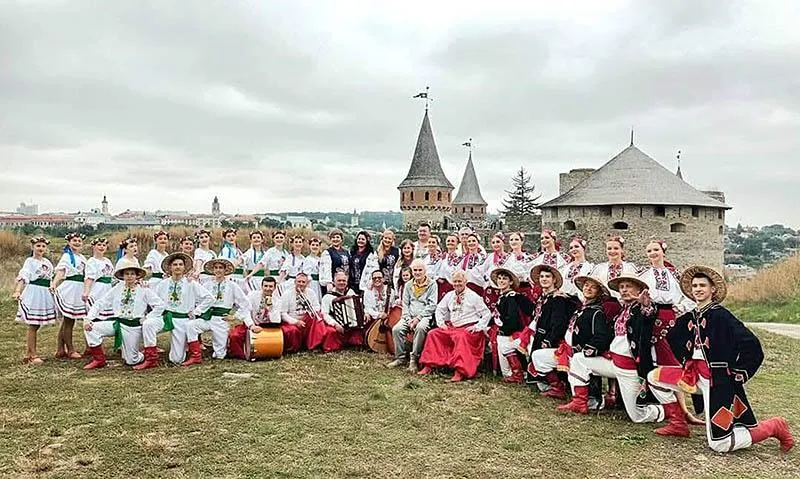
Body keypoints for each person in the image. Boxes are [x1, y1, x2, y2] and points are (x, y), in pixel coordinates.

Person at [647, 266, 794, 452]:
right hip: (692, 376)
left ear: (712, 290)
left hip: (718, 381)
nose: (698, 289)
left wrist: (739, 371)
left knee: (719, 444)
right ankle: (678, 425)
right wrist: (685, 359)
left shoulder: (721, 316)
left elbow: (752, 344)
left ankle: (773, 426)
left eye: (702, 285)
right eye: (694, 286)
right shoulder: (687, 317)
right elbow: (672, 337)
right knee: (654, 377)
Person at [561, 272, 665, 425]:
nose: (624, 290)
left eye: (628, 286)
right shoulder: (623, 311)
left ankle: (664, 411)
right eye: (621, 287)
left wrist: (646, 305)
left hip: (629, 369)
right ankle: (580, 403)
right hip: (613, 363)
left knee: (636, 416)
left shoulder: (640, 309)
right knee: (579, 359)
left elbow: (648, 316)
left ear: (638, 291)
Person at [136, 252, 214, 370]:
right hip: (166, 317)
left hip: (182, 320)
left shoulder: (191, 283)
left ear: (184, 267)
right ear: (170, 267)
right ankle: (151, 359)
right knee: (148, 324)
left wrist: (197, 312)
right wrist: (150, 315)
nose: (178, 267)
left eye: (180, 264)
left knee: (176, 359)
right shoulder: (163, 284)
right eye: (175, 264)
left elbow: (209, 298)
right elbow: (153, 301)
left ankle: (190, 351)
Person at [83, 259, 164, 370]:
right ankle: (99, 360)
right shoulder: (117, 288)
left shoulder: (144, 290)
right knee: (91, 328)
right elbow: (101, 302)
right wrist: (88, 318)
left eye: (132, 274)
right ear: (123, 276)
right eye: (127, 274)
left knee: (131, 361)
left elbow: (160, 305)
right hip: (118, 323)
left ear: (137, 276)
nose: (129, 276)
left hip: (133, 327)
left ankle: (145, 355)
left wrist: (147, 317)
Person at [552, 274, 613, 410]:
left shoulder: (597, 313)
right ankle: (570, 394)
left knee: (581, 363)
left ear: (599, 293)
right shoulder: (582, 309)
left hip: (583, 352)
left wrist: (587, 350)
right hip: (570, 350)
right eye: (586, 285)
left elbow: (602, 336)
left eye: (593, 287)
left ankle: (591, 400)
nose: (588, 289)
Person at [418, 270, 492, 382]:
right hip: (453, 327)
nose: (457, 284)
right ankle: (429, 365)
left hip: (469, 329)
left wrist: (478, 327)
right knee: (433, 334)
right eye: (455, 281)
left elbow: (487, 313)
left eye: (460, 281)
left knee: (460, 337)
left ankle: (460, 371)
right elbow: (440, 309)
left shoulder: (473, 296)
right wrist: (441, 323)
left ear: (465, 281)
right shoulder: (449, 295)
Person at [522, 265, 578, 397]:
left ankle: (558, 386)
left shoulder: (558, 299)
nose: (544, 279)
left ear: (554, 280)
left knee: (541, 358)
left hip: (550, 337)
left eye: (547, 276)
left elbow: (559, 324)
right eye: (541, 276)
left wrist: (549, 340)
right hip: (539, 333)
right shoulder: (543, 297)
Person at [182, 259, 251, 365]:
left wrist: (235, 316)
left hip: (221, 319)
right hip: (208, 318)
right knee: (191, 325)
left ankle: (223, 348)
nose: (218, 270)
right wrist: (197, 311)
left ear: (225, 270)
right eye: (216, 268)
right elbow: (197, 299)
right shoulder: (207, 284)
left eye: (220, 268)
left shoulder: (232, 285)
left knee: (220, 355)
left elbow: (245, 304)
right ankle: (195, 355)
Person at [12, 236, 57, 365]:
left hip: (44, 292)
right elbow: (24, 276)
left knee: (37, 324)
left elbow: (50, 278)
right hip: (34, 292)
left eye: (43, 246)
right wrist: (17, 290)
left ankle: (29, 353)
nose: (41, 248)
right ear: (33, 247)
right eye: (38, 246)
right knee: (33, 324)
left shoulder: (47, 262)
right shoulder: (29, 261)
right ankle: (32, 355)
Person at [387, 259, 438, 372]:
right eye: (415, 270)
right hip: (409, 316)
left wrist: (418, 318)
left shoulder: (432, 284)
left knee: (420, 328)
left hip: (424, 316)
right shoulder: (409, 284)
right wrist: (408, 318)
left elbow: (432, 305)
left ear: (425, 271)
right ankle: (400, 358)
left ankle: (414, 359)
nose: (417, 272)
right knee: (397, 329)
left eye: (420, 270)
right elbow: (405, 304)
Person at [491, 268, 535, 383]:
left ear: (510, 282)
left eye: (504, 279)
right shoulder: (504, 297)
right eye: (499, 279)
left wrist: (505, 331)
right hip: (504, 332)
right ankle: (517, 373)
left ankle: (519, 373)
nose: (501, 281)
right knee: (505, 371)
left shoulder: (511, 297)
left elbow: (513, 318)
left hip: (510, 333)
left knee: (506, 369)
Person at [51, 232, 88, 360]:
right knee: (69, 320)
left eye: (79, 241)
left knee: (68, 320)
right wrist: (54, 283)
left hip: (79, 287)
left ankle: (60, 349)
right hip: (71, 287)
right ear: (69, 242)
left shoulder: (82, 257)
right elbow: (61, 271)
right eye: (74, 241)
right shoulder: (67, 256)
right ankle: (71, 349)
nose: (77, 243)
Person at [308, 271, 365, 352]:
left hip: (351, 324)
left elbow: (358, 307)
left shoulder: (351, 292)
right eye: (339, 280)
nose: (342, 283)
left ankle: (354, 343)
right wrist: (335, 324)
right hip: (335, 324)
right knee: (331, 332)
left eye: (344, 281)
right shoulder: (327, 297)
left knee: (359, 328)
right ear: (334, 282)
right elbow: (324, 314)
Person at [228, 276, 280, 360]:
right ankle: (241, 355)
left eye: (270, 286)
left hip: (267, 327)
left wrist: (270, 310)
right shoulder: (252, 295)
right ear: (261, 286)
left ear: (274, 288)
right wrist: (251, 325)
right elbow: (246, 311)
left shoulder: (277, 300)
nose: (268, 289)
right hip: (251, 323)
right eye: (265, 286)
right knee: (235, 335)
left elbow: (277, 320)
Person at [470, 232, 509, 321]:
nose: (496, 244)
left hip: (505, 290)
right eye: (493, 242)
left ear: (503, 243)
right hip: (491, 291)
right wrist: (486, 281)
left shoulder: (509, 257)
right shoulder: (488, 257)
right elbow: (476, 270)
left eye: (498, 242)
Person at [279, 272, 321, 353]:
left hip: (306, 318)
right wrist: (296, 322)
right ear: (295, 282)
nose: (301, 284)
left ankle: (314, 345)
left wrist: (310, 311)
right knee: (292, 331)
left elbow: (317, 307)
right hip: (292, 321)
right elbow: (283, 313)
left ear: (307, 283)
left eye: (303, 282)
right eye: (299, 282)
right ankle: (294, 348)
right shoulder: (287, 294)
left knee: (318, 316)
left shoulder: (311, 292)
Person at [82, 238, 115, 321]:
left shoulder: (108, 261)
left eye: (104, 245)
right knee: (97, 313)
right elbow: (89, 278)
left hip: (108, 288)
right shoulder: (92, 261)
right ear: (93, 247)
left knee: (108, 315)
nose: (102, 247)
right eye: (99, 245)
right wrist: (86, 292)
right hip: (98, 289)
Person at [504, 232, 536, 300]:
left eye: (516, 239)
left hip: (525, 288)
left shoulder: (529, 257)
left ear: (522, 241)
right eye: (511, 240)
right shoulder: (505, 258)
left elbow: (531, 272)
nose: (513, 242)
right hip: (510, 290)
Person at [319, 229, 349, 294]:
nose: (335, 239)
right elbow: (326, 268)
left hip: (343, 282)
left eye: (337, 237)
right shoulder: (327, 252)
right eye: (333, 237)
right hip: (333, 283)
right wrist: (329, 282)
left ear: (341, 239)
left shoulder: (346, 252)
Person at [348, 231, 373, 295]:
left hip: (364, 282)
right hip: (352, 283)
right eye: (359, 239)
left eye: (363, 239)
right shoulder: (352, 253)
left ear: (367, 241)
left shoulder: (370, 254)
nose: (360, 241)